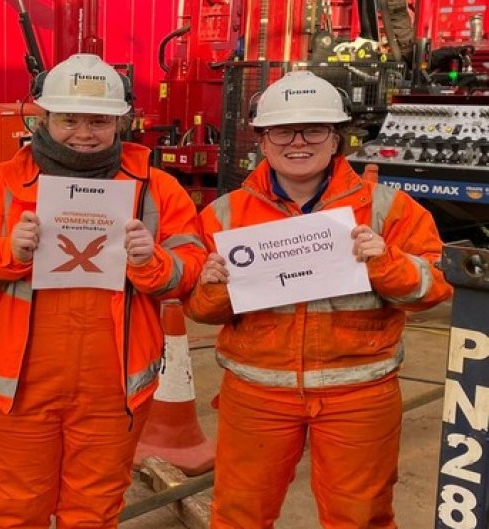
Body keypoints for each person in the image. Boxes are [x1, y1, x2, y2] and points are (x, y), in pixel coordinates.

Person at [0, 53, 206, 529]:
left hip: (112, 390)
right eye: (69, 119)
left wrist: (152, 262)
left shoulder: (158, 190)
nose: (84, 133)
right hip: (17, 389)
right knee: (14, 511)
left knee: (94, 512)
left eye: (99, 121)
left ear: (120, 122)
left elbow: (190, 269)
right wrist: (7, 251)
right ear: (43, 117)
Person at [185, 70, 452, 528]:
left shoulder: (389, 208)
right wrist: (212, 286)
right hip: (257, 394)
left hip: (358, 394)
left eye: (314, 130)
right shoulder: (224, 214)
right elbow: (200, 311)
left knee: (361, 516)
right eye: (283, 131)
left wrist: (385, 261)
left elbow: (435, 289)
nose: (298, 143)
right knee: (238, 514)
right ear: (263, 141)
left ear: (335, 139)